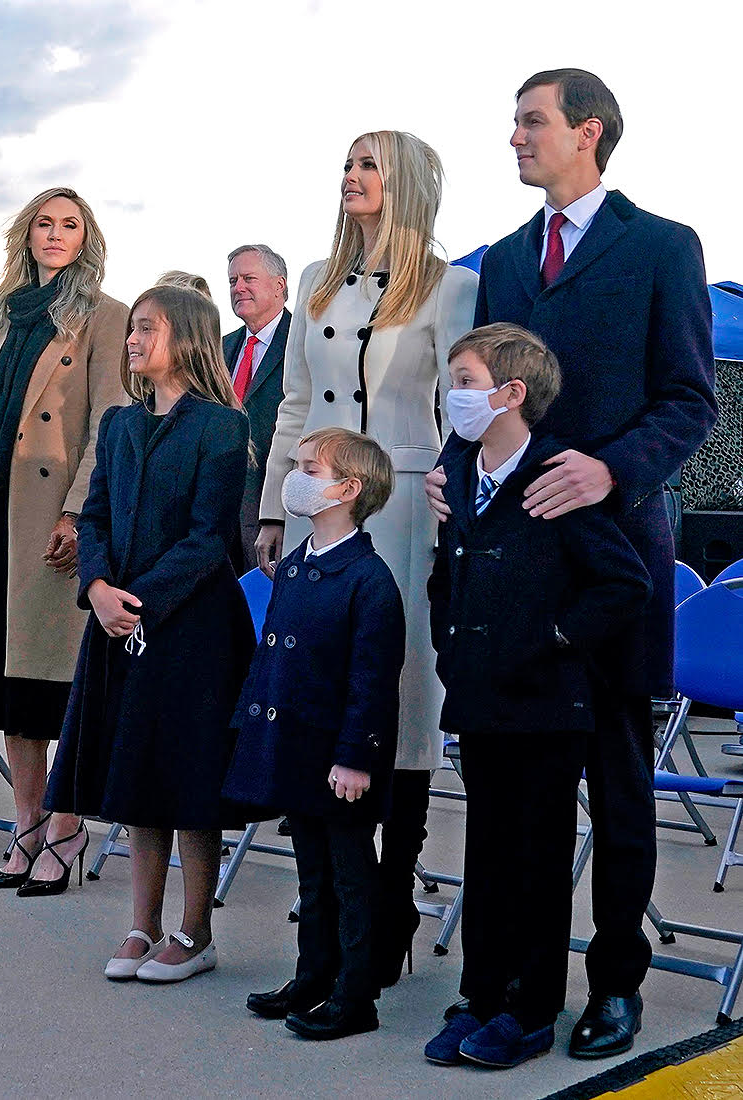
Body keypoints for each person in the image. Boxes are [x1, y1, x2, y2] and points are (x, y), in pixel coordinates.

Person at [424, 69, 716, 1058]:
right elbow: (489, 395)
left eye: (532, 121)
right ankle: (513, 984)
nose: (514, 137)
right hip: (513, 575)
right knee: (518, 802)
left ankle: (617, 984)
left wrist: (609, 470)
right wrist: (455, 480)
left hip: (614, 560)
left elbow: (689, 401)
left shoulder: (665, 247)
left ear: (589, 132)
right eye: (512, 120)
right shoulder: (504, 260)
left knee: (623, 788)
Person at [256, 130, 477, 987]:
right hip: (324, 509)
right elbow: (297, 400)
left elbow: (456, 405)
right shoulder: (314, 280)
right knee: (320, 688)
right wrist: (278, 504)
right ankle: (327, 925)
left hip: (408, 509)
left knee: (401, 699)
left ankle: (389, 908)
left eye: (370, 164)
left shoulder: (452, 285)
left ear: (408, 182)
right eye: (347, 163)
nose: (352, 177)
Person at [423, 324, 650, 1069]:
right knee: (485, 853)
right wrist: (452, 649)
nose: (452, 394)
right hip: (482, 697)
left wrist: (552, 638)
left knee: (538, 859)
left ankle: (530, 1008)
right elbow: (446, 574)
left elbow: (623, 584)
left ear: (510, 393)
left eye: (463, 379)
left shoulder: (556, 475)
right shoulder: (459, 474)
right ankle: (481, 994)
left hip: (548, 706)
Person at [45, 284, 253, 983]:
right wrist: (98, 590)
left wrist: (138, 600)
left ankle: (196, 934)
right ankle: (142, 924)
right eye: (132, 328)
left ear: (188, 338)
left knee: (188, 780)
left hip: (191, 627)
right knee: (136, 774)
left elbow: (208, 539)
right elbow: (94, 516)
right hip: (118, 620)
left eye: (147, 329)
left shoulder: (222, 427)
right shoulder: (119, 424)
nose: (133, 340)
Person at [0, 187, 128, 893]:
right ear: (25, 235)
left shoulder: (105, 315)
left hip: (54, 520)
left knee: (56, 687)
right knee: (6, 687)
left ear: (86, 238)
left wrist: (78, 510)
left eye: (69, 224)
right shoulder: (4, 317)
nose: (54, 234)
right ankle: (26, 824)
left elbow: (111, 420)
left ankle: (66, 826)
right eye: (43, 223)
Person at [228, 428, 403, 1039]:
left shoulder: (370, 579)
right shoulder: (298, 565)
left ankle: (356, 995)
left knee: (351, 874)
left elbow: (372, 682)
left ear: (348, 489)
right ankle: (312, 976)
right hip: (296, 746)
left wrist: (356, 758)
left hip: (339, 758)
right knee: (312, 871)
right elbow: (273, 657)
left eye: (309, 468)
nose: (294, 477)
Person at [223, 244, 292, 571]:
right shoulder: (221, 348)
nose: (238, 287)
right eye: (233, 280)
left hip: (273, 510)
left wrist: (275, 513)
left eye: (248, 278)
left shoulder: (301, 341)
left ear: (280, 286)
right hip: (220, 513)